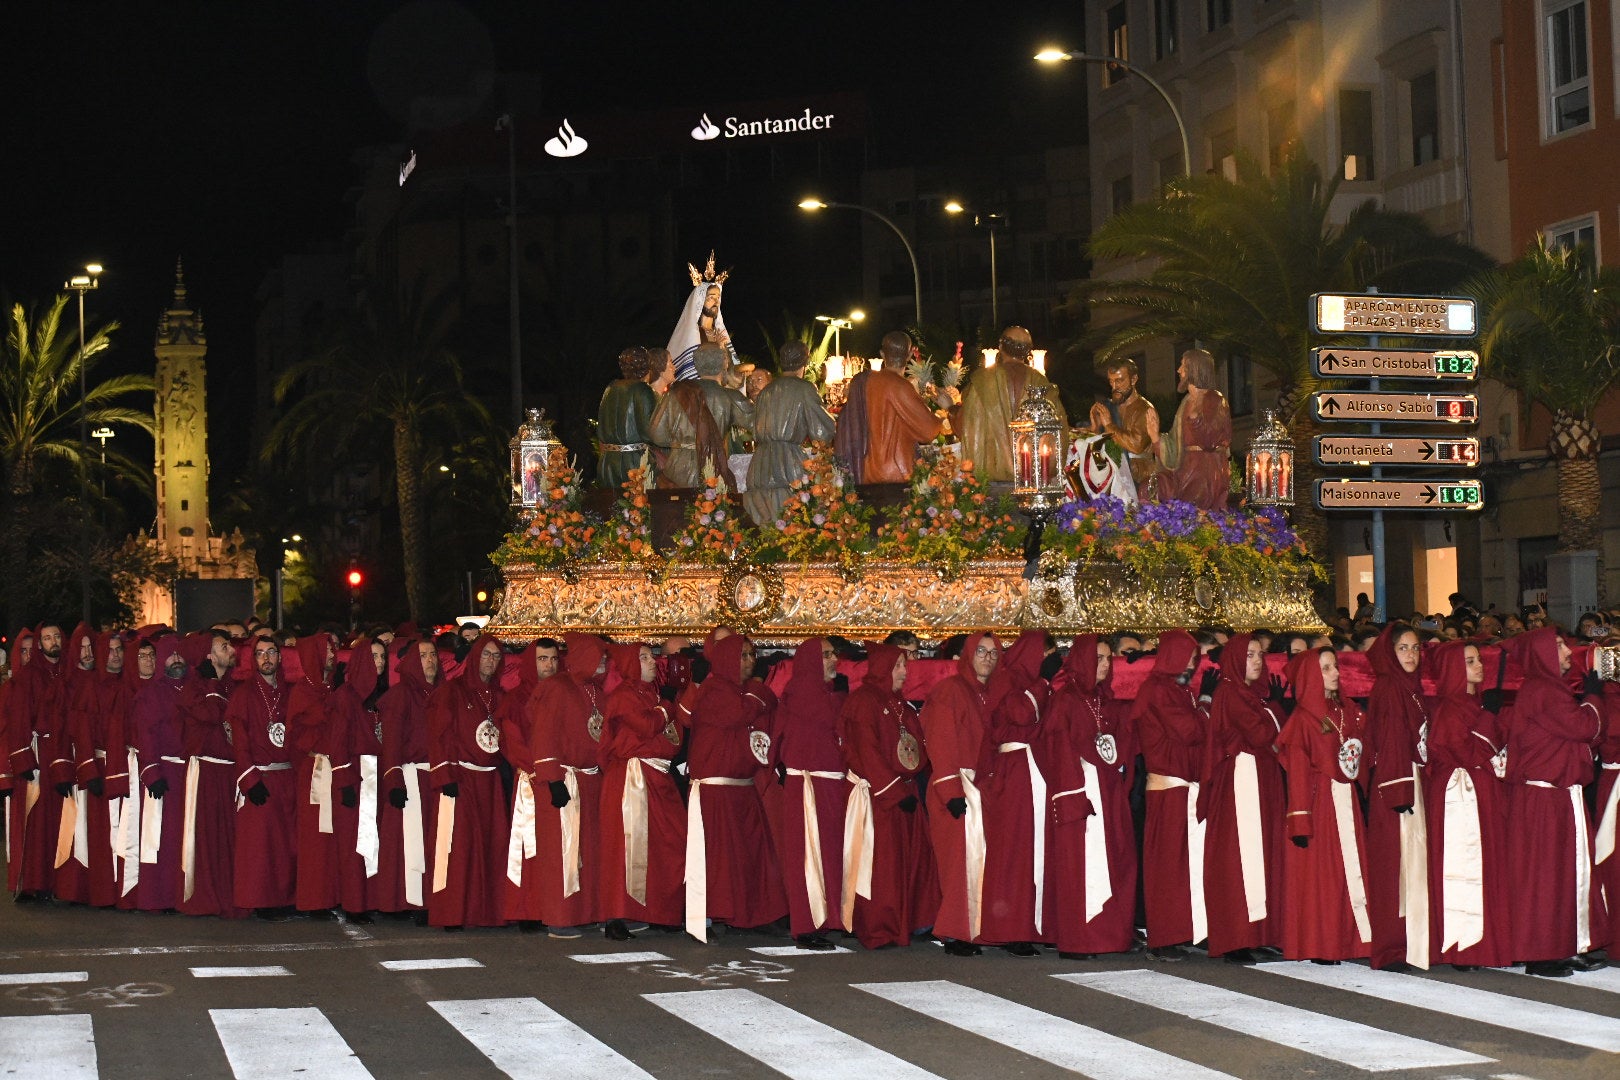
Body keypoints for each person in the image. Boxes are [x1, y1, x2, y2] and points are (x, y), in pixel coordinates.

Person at [1506, 627, 1608, 977]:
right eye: (1560, 646)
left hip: (1560, 795)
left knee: (1568, 873)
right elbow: (1584, 727)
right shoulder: (1544, 691)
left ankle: (1567, 943)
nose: (1568, 652)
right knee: (1546, 876)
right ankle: (1541, 951)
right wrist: (1595, 698)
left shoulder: (1549, 690)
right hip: (1545, 798)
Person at [679, 632, 786, 941]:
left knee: (751, 854)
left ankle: (753, 915)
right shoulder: (714, 690)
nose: (750, 661)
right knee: (718, 858)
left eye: (752, 655)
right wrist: (755, 691)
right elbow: (741, 713)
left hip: (743, 785)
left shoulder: (742, 690)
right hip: (716, 789)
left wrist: (755, 692)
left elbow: (768, 704)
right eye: (743, 655)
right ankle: (709, 916)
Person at [1042, 635, 1137, 957]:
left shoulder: (1104, 700)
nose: (1106, 665)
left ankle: (1111, 936)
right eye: (1098, 659)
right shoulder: (1065, 700)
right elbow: (1056, 749)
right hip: (1080, 790)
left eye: (1109, 659)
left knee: (1115, 860)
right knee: (1081, 866)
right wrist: (1072, 795)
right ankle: (1079, 939)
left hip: (1108, 790)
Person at [838, 641, 937, 950]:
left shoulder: (901, 705)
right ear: (882, 668)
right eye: (898, 666)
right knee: (882, 869)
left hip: (904, 794)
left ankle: (907, 922)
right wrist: (892, 790)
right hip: (881, 799)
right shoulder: (863, 702)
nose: (905, 672)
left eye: (905, 665)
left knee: (909, 863)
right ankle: (880, 926)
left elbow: (916, 746)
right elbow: (865, 751)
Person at [1278, 647, 1371, 962]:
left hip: (1346, 801)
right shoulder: (1303, 719)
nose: (1335, 673)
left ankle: (1351, 940)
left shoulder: (1347, 710)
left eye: (1335, 667)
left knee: (1350, 870)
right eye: (1327, 668)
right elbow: (1299, 774)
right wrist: (1300, 819)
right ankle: (1322, 942)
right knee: (1325, 877)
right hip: (1320, 806)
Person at [1424, 641, 1513, 969]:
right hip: (1459, 796)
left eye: (1478, 660)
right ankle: (1463, 945)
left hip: (1478, 792)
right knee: (1463, 866)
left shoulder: (1473, 702)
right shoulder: (1450, 708)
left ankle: (1484, 941)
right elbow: (1467, 753)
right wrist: (1489, 717)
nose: (1479, 667)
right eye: (1470, 661)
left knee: (1483, 862)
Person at [513, 633, 608, 938]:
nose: (604, 661)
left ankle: (586, 911)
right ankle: (560, 917)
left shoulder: (595, 690)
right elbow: (544, 733)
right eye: (599, 656)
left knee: (589, 850)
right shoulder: (556, 688)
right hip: (564, 778)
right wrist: (552, 778)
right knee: (561, 852)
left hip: (589, 777)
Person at [1200, 633, 1286, 963]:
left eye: (1260, 655)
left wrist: (1271, 710)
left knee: (1259, 854)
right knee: (1239, 856)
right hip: (1241, 780)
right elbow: (1263, 733)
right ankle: (1235, 936)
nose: (1257, 661)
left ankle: (1257, 932)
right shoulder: (1231, 693)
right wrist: (1276, 709)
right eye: (1249, 655)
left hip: (1258, 777)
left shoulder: (1251, 695)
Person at [920, 631, 1000, 955]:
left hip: (981, 788)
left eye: (994, 653)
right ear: (968, 654)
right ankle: (955, 933)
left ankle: (975, 929)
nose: (987, 658)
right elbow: (940, 741)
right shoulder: (950, 691)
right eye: (981, 651)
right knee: (956, 865)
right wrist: (951, 789)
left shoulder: (990, 693)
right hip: (955, 786)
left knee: (978, 863)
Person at [598, 642, 685, 938]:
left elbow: (673, 731)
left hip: (657, 775)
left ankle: (660, 910)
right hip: (631, 779)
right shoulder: (623, 696)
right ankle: (616, 916)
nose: (652, 663)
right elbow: (648, 726)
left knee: (667, 844)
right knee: (625, 847)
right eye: (644, 658)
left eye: (652, 657)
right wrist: (667, 706)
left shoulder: (654, 694)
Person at [1131, 629, 1208, 958]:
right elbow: (1190, 731)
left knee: (1185, 864)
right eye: (1189, 655)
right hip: (1167, 788)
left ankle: (1184, 930)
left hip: (1184, 786)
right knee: (1166, 866)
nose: (1193, 663)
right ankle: (1163, 937)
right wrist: (1206, 704)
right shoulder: (1158, 690)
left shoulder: (1181, 690)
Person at [426, 634, 510, 929]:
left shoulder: (499, 695)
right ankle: (452, 912)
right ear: (475, 657)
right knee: (458, 848)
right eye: (486, 654)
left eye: (496, 656)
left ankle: (488, 913)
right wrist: (445, 773)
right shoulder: (453, 691)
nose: (491, 661)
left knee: (493, 847)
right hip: (461, 777)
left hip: (490, 781)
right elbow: (440, 734)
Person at [1364, 623, 1432, 971]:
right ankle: (1390, 947)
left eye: (1415, 648)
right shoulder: (1390, 687)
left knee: (1411, 864)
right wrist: (1399, 788)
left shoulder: (1411, 688)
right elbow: (1389, 740)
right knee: (1395, 866)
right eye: (1403, 648)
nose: (1411, 655)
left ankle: (1410, 941)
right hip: (1396, 784)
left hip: (1409, 778)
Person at [979, 631, 1051, 956]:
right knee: (1016, 851)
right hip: (1015, 771)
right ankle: (1011, 928)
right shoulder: (1007, 679)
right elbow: (1022, 713)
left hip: (1032, 769)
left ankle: (1031, 924)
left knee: (1032, 850)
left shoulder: (1022, 680)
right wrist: (1044, 684)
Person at [776, 637, 850, 950]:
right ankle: (807, 926)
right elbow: (832, 722)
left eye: (834, 654)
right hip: (810, 785)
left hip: (827, 785)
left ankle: (823, 918)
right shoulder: (805, 691)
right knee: (809, 855)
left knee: (827, 855)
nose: (834, 660)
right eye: (826, 655)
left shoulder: (822, 692)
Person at [177, 630, 246, 918]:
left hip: (230, 770)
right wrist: (213, 683)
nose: (231, 650)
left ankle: (232, 895)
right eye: (223, 646)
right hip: (206, 770)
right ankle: (206, 896)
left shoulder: (233, 684)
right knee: (207, 836)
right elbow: (212, 715)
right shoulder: (194, 687)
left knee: (230, 837)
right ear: (208, 655)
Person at [227, 636, 298, 917]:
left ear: (280, 657)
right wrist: (248, 779)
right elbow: (239, 742)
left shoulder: (290, 692)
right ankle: (263, 901)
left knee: (288, 842)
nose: (266, 658)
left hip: (288, 777)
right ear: (253, 660)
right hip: (260, 777)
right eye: (260, 653)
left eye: (271, 652)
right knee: (261, 846)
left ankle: (288, 898)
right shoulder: (243, 695)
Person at [6, 623, 69, 901]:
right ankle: (36, 881)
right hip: (40, 752)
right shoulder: (29, 676)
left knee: (63, 819)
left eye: (56, 636)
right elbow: (19, 718)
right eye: (47, 637)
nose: (52, 641)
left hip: (66, 750)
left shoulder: (68, 672)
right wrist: (24, 760)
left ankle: (62, 882)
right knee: (38, 821)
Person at [833, 331, 946, 484]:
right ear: (910, 354)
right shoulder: (901, 386)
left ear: (882, 354)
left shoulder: (866, 382)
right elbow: (928, 431)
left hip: (866, 472)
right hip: (897, 474)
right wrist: (944, 413)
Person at [378, 638, 440, 915]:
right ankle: (411, 901)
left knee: (433, 841)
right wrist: (394, 779)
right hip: (411, 778)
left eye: (433, 654)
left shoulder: (442, 692)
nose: (430, 660)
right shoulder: (400, 695)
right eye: (424, 655)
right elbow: (391, 741)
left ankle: (432, 898)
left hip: (437, 777)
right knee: (410, 843)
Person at [497, 638, 556, 931]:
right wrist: (541, 769)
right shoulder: (515, 699)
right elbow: (514, 743)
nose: (549, 665)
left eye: (553, 659)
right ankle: (529, 909)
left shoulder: (562, 693)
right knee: (529, 848)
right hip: (533, 781)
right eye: (543, 659)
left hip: (558, 779)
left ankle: (555, 907)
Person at [743, 342, 836, 526]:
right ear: (805, 362)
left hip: (760, 463)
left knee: (765, 521)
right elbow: (822, 431)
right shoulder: (804, 388)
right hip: (787, 462)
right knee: (792, 520)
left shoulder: (764, 393)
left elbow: (754, 427)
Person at [289, 633, 349, 917]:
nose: (331, 654)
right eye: (325, 650)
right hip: (315, 769)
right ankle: (314, 899)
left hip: (333, 767)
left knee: (332, 835)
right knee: (315, 837)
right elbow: (299, 733)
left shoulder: (328, 686)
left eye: (332, 649)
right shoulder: (304, 690)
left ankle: (332, 893)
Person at [129, 636, 191, 912]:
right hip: (165, 771)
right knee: (164, 838)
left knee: (186, 837)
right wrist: (151, 771)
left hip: (191, 773)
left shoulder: (194, 689)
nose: (176, 660)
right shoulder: (150, 694)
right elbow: (146, 733)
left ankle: (185, 894)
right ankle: (163, 896)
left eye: (180, 655)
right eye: (170, 655)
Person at [959, 327, 1068, 483]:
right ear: (1028, 351)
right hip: (1033, 480)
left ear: (1001, 346)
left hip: (988, 482)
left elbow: (965, 427)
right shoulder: (1042, 383)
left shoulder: (981, 381)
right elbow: (1060, 432)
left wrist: (950, 408)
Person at [333, 635, 388, 921]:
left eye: (382, 657)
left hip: (377, 773)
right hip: (356, 774)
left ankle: (373, 898)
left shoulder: (382, 694)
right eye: (373, 657)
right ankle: (355, 903)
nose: (379, 662)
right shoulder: (346, 696)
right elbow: (338, 740)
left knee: (376, 838)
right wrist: (343, 779)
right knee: (354, 842)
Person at [648, 343, 755, 489]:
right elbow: (761, 426)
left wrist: (681, 442)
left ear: (696, 365)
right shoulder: (731, 397)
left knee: (677, 510)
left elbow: (657, 436)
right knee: (711, 510)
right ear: (725, 363)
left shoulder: (674, 393)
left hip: (677, 469)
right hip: (711, 469)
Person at [53, 623, 100, 904]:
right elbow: (59, 728)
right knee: (74, 828)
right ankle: (73, 890)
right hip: (74, 762)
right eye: (81, 647)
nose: (87, 652)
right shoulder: (66, 685)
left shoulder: (102, 680)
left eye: (90, 647)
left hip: (100, 761)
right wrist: (61, 769)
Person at [1157, 348, 1232, 511]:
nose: (1179, 370)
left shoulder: (1214, 398)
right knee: (1157, 488)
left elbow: (1211, 439)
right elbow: (1174, 442)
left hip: (1205, 470)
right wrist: (1154, 436)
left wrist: (1196, 420)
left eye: (1183, 366)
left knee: (1192, 511)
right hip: (1186, 467)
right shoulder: (1186, 401)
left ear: (1194, 369)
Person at [1079, 358, 1160, 498]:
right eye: (1111, 381)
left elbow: (1136, 445)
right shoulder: (1108, 407)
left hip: (1138, 479)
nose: (1114, 387)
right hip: (1110, 479)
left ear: (1133, 379)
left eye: (1120, 381)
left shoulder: (1144, 409)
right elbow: (1098, 441)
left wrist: (1109, 425)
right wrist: (1094, 429)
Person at [597, 346, 662, 491]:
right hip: (635, 463)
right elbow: (649, 431)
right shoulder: (644, 390)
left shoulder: (610, 389)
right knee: (640, 509)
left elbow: (601, 428)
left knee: (611, 508)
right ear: (647, 367)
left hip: (608, 462)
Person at [667, 256, 736, 382]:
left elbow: (732, 371)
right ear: (699, 302)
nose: (716, 302)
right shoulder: (692, 334)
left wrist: (723, 350)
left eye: (718, 298)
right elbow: (690, 371)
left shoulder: (720, 334)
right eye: (711, 297)